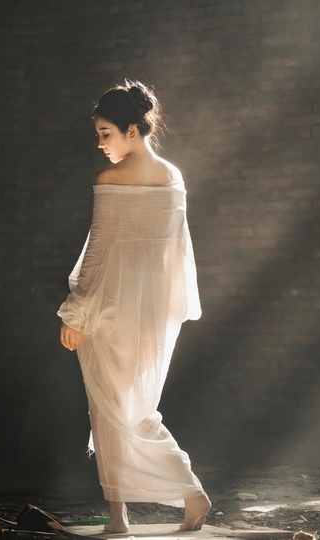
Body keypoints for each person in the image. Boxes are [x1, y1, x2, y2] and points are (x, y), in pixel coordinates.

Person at [57, 80, 211, 532]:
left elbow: (99, 253)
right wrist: (170, 309)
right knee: (138, 409)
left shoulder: (110, 179)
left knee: (107, 410)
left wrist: (75, 312)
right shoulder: (173, 177)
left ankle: (124, 515)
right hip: (154, 312)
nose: (100, 143)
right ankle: (185, 496)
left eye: (105, 133)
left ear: (132, 130)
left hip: (110, 309)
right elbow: (177, 252)